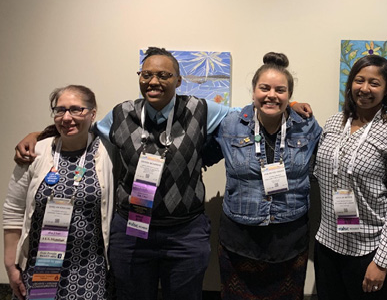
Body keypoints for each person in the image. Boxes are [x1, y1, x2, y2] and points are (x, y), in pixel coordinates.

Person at [12, 47, 312, 300]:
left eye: (164, 75)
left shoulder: (202, 110)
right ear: (140, 78)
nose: (154, 81)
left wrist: (292, 104)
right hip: (131, 230)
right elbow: (78, 126)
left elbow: (254, 111)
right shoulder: (121, 114)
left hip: (185, 233)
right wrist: (40, 134)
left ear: (179, 80)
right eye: (147, 75)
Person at [213, 52, 321, 300]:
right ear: (253, 91)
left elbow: (321, 169)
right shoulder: (229, 124)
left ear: (289, 96)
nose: (272, 95)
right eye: (265, 88)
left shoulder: (307, 126)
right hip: (239, 238)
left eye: (280, 90)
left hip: (289, 238)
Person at [313, 54, 387, 300]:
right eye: (359, 80)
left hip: (370, 249)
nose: (365, 89)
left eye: (374, 83)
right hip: (327, 243)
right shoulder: (335, 122)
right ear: (350, 84)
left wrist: (382, 261)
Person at [3, 85, 114, 300]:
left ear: (92, 113)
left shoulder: (109, 152)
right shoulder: (35, 152)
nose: (66, 117)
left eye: (76, 109)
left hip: (90, 269)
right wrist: (10, 264)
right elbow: (13, 209)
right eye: (60, 110)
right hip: (40, 265)